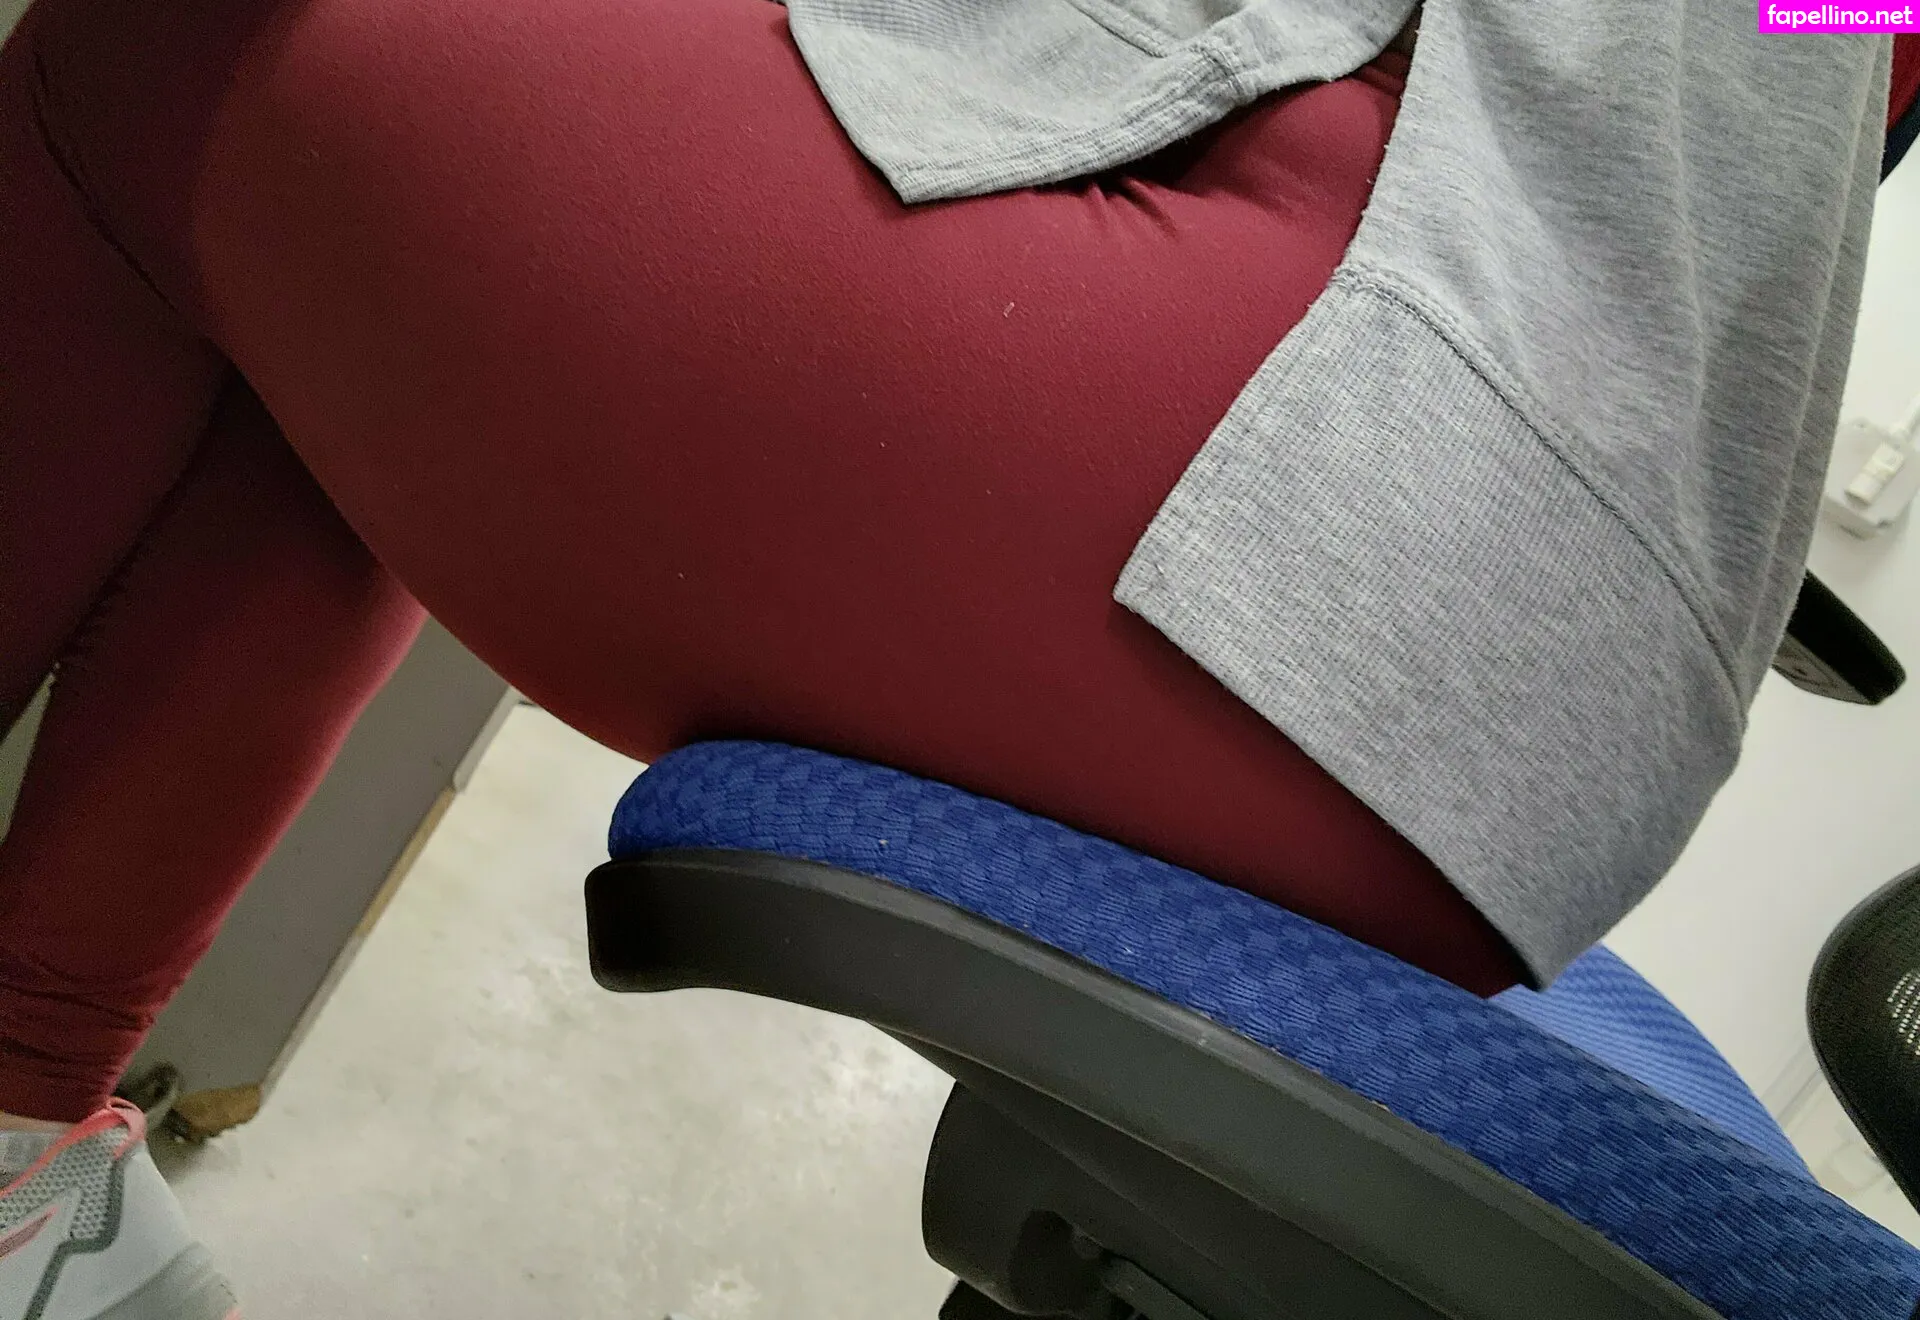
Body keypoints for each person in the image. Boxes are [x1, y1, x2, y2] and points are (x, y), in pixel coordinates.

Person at [0, 0, 1906, 1311]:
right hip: (1518, 663)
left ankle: (19, 1105)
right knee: (344, 227)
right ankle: (22, 1160)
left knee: (163, 52)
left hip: (1331, 479)